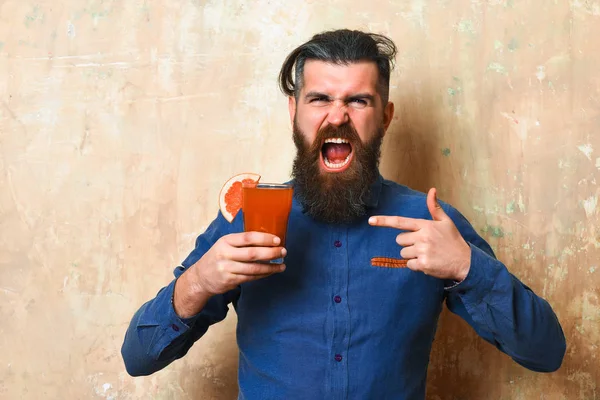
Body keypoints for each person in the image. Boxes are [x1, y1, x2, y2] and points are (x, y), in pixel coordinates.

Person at [121, 29, 566, 399]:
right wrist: (198, 282)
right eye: (319, 99)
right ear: (294, 112)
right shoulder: (248, 218)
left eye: (358, 101)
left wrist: (468, 267)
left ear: (385, 117)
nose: (337, 116)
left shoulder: (430, 222)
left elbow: (546, 351)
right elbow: (139, 357)